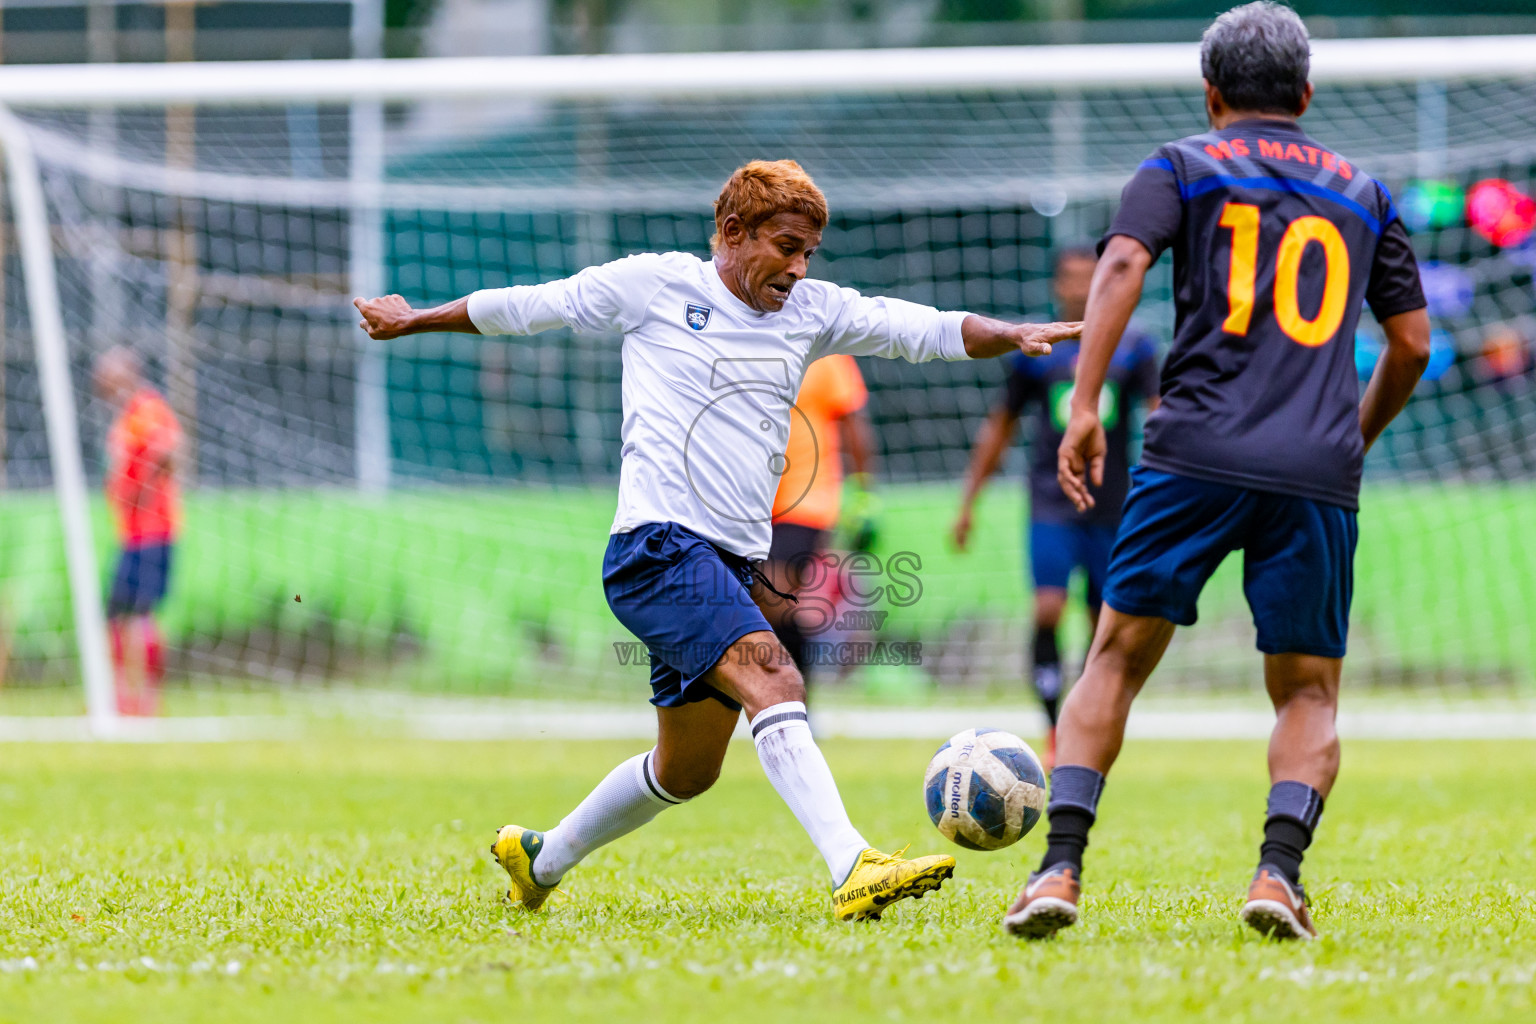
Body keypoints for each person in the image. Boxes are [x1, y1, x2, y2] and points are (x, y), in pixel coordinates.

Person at [354, 159, 1082, 922]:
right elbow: (532, 306)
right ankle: (852, 865)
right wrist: (416, 318)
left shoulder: (811, 310)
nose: (799, 269)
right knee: (777, 676)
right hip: (657, 548)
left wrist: (1014, 333)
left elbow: (917, 328)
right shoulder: (657, 286)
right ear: (732, 234)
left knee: (687, 768)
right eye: (787, 247)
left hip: (730, 565)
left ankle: (542, 857)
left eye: (810, 254)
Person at [1004, 2, 1431, 942]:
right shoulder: (1366, 191)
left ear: (1211, 93)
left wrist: (1083, 406)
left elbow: (1120, 265)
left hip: (1193, 450)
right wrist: (1352, 434)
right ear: (1306, 94)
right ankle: (1277, 876)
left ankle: (1058, 870)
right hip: (1315, 467)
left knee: (1113, 656)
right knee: (1309, 689)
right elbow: (1410, 344)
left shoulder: (1182, 166)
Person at [952, 248, 1160, 768]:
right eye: (1069, 279)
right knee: (1048, 607)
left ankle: (1087, 727)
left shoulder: (1133, 347)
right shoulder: (1035, 350)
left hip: (1112, 505)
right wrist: (968, 501)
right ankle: (1052, 730)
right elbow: (1001, 426)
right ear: (1056, 286)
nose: (1078, 287)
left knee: (1102, 623)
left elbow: (1158, 417)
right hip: (1050, 499)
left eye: (1088, 278)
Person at [760, 353, 877, 681]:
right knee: (768, 605)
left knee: (774, 593)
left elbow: (855, 423)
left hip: (809, 498)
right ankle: (788, 704)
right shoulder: (747, 348)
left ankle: (793, 704)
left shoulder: (828, 357)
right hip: (754, 503)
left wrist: (864, 496)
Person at [94, 347, 183, 717]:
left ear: (125, 373)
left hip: (153, 531)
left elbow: (168, 449)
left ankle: (146, 698)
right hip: (131, 534)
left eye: (105, 374)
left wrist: (138, 493)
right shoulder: (126, 415)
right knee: (117, 613)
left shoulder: (147, 407)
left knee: (142, 612)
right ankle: (121, 696)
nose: (98, 382)